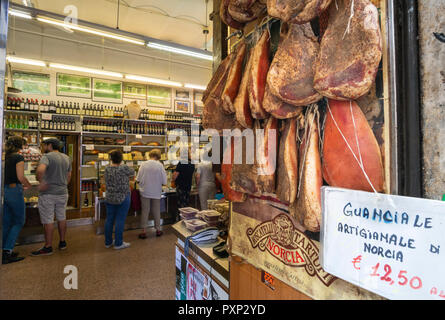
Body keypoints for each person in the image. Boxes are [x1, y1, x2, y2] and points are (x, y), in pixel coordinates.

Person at [31, 138, 71, 257]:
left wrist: (40, 181)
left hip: (48, 193)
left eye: (44, 145)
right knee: (61, 217)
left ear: (49, 145)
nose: (43, 147)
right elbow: (69, 175)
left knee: (48, 220)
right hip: (63, 192)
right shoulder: (66, 157)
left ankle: (48, 246)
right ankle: (62, 242)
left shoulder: (47, 156)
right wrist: (63, 185)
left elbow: (40, 170)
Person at [2, 136, 32, 264]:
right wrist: (28, 184)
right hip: (15, 190)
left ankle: (4, 251)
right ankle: (8, 250)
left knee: (7, 222)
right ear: (20, 146)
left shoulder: (5, 157)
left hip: (5, 190)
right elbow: (20, 176)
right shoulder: (18, 157)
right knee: (19, 221)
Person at [103, 150, 134, 250]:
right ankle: (118, 243)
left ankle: (108, 242)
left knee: (109, 220)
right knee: (120, 220)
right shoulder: (124, 168)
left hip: (110, 197)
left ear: (111, 159)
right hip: (123, 196)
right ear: (121, 159)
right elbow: (133, 172)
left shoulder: (107, 169)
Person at [136, 149, 167, 238]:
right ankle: (158, 230)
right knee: (156, 210)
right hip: (156, 191)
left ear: (150, 155)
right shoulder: (160, 165)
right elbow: (164, 181)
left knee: (145, 211)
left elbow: (138, 179)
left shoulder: (143, 164)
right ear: (158, 156)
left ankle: (144, 231)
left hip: (145, 191)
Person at [172, 155, 195, 220]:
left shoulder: (181, 163)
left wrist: (173, 179)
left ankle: (181, 219)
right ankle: (187, 218)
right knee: (186, 203)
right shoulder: (192, 164)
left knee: (181, 204)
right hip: (188, 186)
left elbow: (175, 175)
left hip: (181, 186)